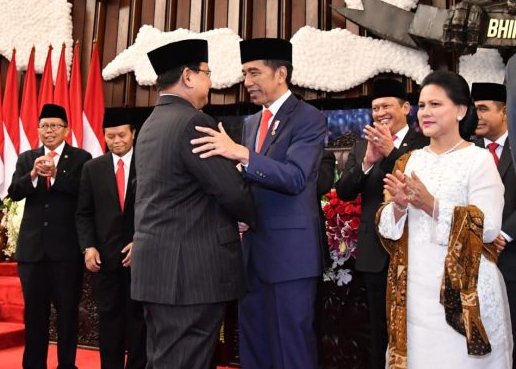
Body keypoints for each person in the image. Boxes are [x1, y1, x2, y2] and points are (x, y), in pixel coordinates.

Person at [191, 37, 326, 369]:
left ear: (281, 74)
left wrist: (241, 154)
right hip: (252, 253)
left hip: (291, 257)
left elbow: (295, 177)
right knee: (254, 347)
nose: (247, 82)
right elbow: (252, 180)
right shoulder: (252, 123)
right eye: (244, 74)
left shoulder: (308, 118)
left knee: (291, 349)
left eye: (254, 73)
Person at [132, 39, 257, 369]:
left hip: (159, 271)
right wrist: (253, 215)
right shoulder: (194, 122)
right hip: (190, 275)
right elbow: (231, 191)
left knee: (164, 360)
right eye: (207, 73)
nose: (210, 82)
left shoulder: (150, 125)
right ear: (188, 76)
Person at [379, 70, 513, 368]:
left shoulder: (478, 159)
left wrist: (432, 205)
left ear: (461, 110)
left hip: (464, 291)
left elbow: (489, 227)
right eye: (422, 105)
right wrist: (398, 207)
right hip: (414, 291)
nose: (425, 112)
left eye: (435, 104)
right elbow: (387, 228)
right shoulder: (410, 160)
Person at [334, 78, 428, 369]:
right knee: (378, 330)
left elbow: (419, 188)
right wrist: (366, 162)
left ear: (406, 108)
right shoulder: (363, 145)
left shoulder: (425, 143)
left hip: (414, 251)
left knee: (416, 327)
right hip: (375, 252)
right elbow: (344, 191)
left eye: (386, 106)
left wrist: (391, 154)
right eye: (375, 108)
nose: (380, 113)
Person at [8, 103, 91, 369]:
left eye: (55, 125)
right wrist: (33, 174)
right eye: (44, 126)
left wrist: (56, 175)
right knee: (34, 314)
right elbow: (14, 192)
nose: (49, 130)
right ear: (38, 130)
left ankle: (67, 365)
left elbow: (85, 193)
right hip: (32, 252)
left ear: (66, 130)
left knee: (67, 313)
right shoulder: (27, 158)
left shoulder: (81, 158)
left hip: (66, 252)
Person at [75, 109, 146, 369]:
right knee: (109, 322)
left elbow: (158, 209)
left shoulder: (148, 164)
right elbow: (83, 213)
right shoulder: (92, 168)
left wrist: (142, 241)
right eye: (110, 136)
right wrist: (88, 247)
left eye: (121, 135)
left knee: (139, 322)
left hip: (140, 258)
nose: (116, 141)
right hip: (105, 261)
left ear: (133, 134)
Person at [472, 82, 516, 363]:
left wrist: (504, 233)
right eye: (474, 109)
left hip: (511, 257)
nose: (476, 116)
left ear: (504, 112)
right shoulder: (468, 151)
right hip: (475, 262)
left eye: (483, 109)